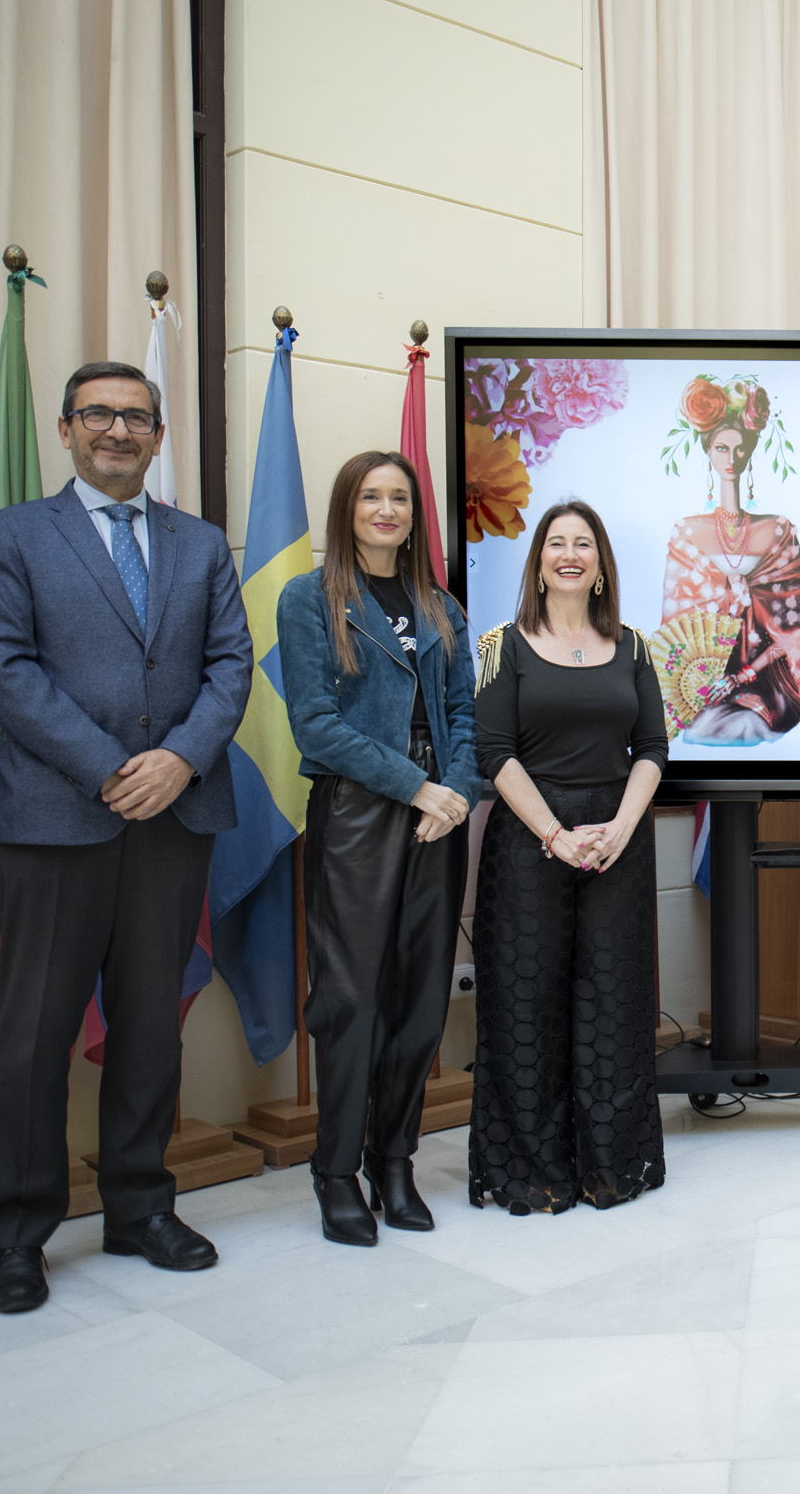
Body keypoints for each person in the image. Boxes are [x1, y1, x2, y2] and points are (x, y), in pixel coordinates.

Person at [0, 360, 252, 1313]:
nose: (118, 430)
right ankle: (16, 1234)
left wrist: (178, 762)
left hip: (175, 817)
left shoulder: (202, 546)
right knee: (38, 1037)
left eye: (137, 416)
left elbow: (230, 666)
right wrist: (108, 768)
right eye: (99, 414)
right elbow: (3, 669)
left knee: (147, 1031)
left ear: (160, 437)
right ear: (66, 429)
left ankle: (138, 1208)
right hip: (55, 820)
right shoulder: (12, 537)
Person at [278, 451, 478, 1246]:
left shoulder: (440, 604)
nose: (387, 509)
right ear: (348, 508)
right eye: (371, 496)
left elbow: (464, 712)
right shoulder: (310, 598)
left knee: (421, 1000)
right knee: (352, 1000)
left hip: (440, 814)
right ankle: (335, 1174)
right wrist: (415, 786)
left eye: (399, 497)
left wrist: (453, 794)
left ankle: (393, 1160)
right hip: (361, 810)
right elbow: (317, 725)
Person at [472, 501, 670, 1214]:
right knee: (527, 1005)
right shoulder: (505, 645)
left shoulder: (635, 647)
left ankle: (610, 1167)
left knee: (614, 1003)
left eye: (583, 543)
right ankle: (534, 1173)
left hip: (619, 834)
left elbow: (652, 748)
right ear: (539, 562)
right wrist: (556, 834)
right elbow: (492, 753)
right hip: (532, 839)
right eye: (556, 542)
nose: (570, 553)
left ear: (599, 565)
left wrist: (618, 826)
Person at [661, 375, 800, 743]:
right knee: (701, 729)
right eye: (721, 448)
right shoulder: (686, 533)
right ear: (708, 451)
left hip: (768, 683)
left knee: (751, 724)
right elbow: (677, 629)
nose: (731, 459)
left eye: (740, 448)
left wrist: (744, 676)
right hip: (705, 690)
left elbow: (796, 626)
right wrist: (707, 682)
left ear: (750, 451)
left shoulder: (778, 531)